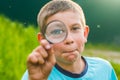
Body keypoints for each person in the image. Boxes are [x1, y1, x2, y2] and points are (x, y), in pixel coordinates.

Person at [22, 0, 118, 80]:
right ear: (44, 40)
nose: (69, 39)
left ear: (85, 33)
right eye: (57, 32)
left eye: (75, 28)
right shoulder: (36, 76)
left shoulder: (104, 69)